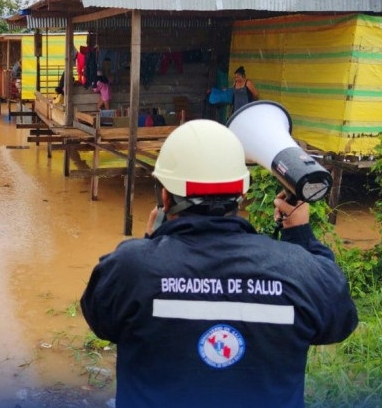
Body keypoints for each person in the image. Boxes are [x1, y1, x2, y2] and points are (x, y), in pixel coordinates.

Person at [81, 120, 357, 408]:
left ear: (164, 195)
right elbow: (338, 323)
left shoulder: (130, 268)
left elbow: (102, 322)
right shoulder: (300, 270)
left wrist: (151, 244)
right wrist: (300, 237)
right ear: (242, 194)